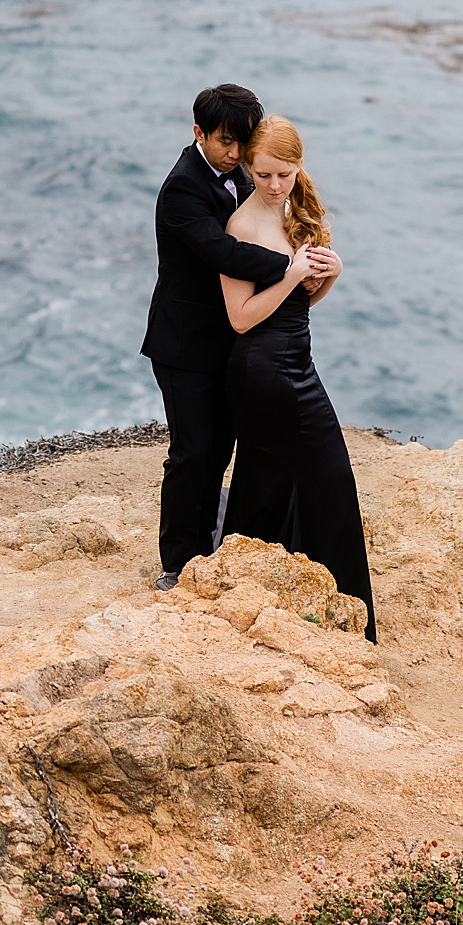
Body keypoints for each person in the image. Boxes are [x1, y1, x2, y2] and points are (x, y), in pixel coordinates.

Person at [217, 115, 374, 643]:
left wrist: (330, 275)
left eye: (283, 174)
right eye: (262, 175)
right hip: (263, 370)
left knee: (268, 482)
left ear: (297, 167)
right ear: (249, 168)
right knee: (330, 477)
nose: (273, 185)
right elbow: (240, 317)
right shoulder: (241, 227)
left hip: (294, 361)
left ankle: (251, 596)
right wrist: (289, 275)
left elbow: (302, 304)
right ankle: (352, 622)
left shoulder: (294, 211)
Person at [142, 85, 292, 589]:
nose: (236, 153)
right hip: (184, 345)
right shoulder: (183, 188)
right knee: (192, 453)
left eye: (243, 142)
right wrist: (291, 269)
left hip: (229, 338)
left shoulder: (243, 173)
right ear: (198, 133)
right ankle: (177, 563)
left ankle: (209, 536)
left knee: (221, 449)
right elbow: (225, 254)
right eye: (226, 142)